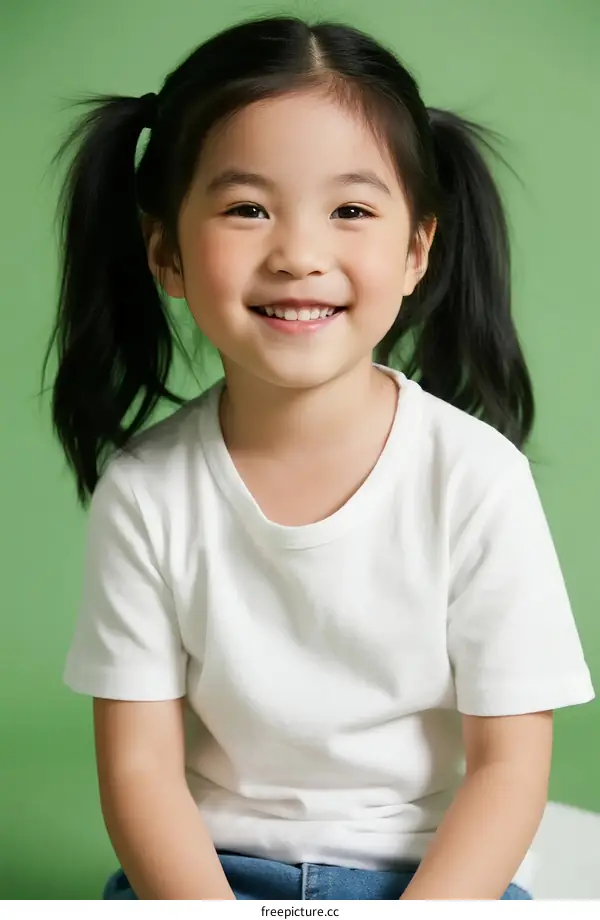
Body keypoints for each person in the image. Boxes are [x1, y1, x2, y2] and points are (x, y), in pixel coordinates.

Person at [45, 15, 594, 901]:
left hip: (433, 879)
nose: (300, 255)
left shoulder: (478, 479)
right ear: (167, 254)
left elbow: (508, 771)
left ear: (418, 249)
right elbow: (141, 773)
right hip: (211, 878)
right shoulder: (147, 492)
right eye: (246, 208)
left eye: (350, 210)